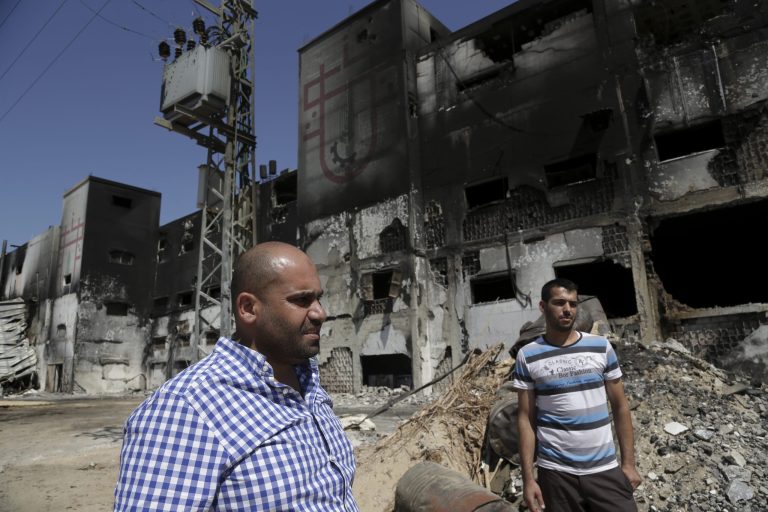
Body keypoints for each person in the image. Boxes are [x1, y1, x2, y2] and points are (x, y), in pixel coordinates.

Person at [114, 241, 359, 511]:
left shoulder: (308, 381)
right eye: (301, 300)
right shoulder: (186, 408)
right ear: (248, 308)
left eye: (318, 298)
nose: (320, 313)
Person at [512, 278, 641, 512]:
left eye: (572, 304)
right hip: (557, 475)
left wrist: (629, 464)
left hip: (604, 469)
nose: (567, 310)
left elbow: (621, 407)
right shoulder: (528, 355)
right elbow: (526, 418)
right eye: (559, 303)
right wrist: (529, 479)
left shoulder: (601, 347)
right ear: (543, 307)